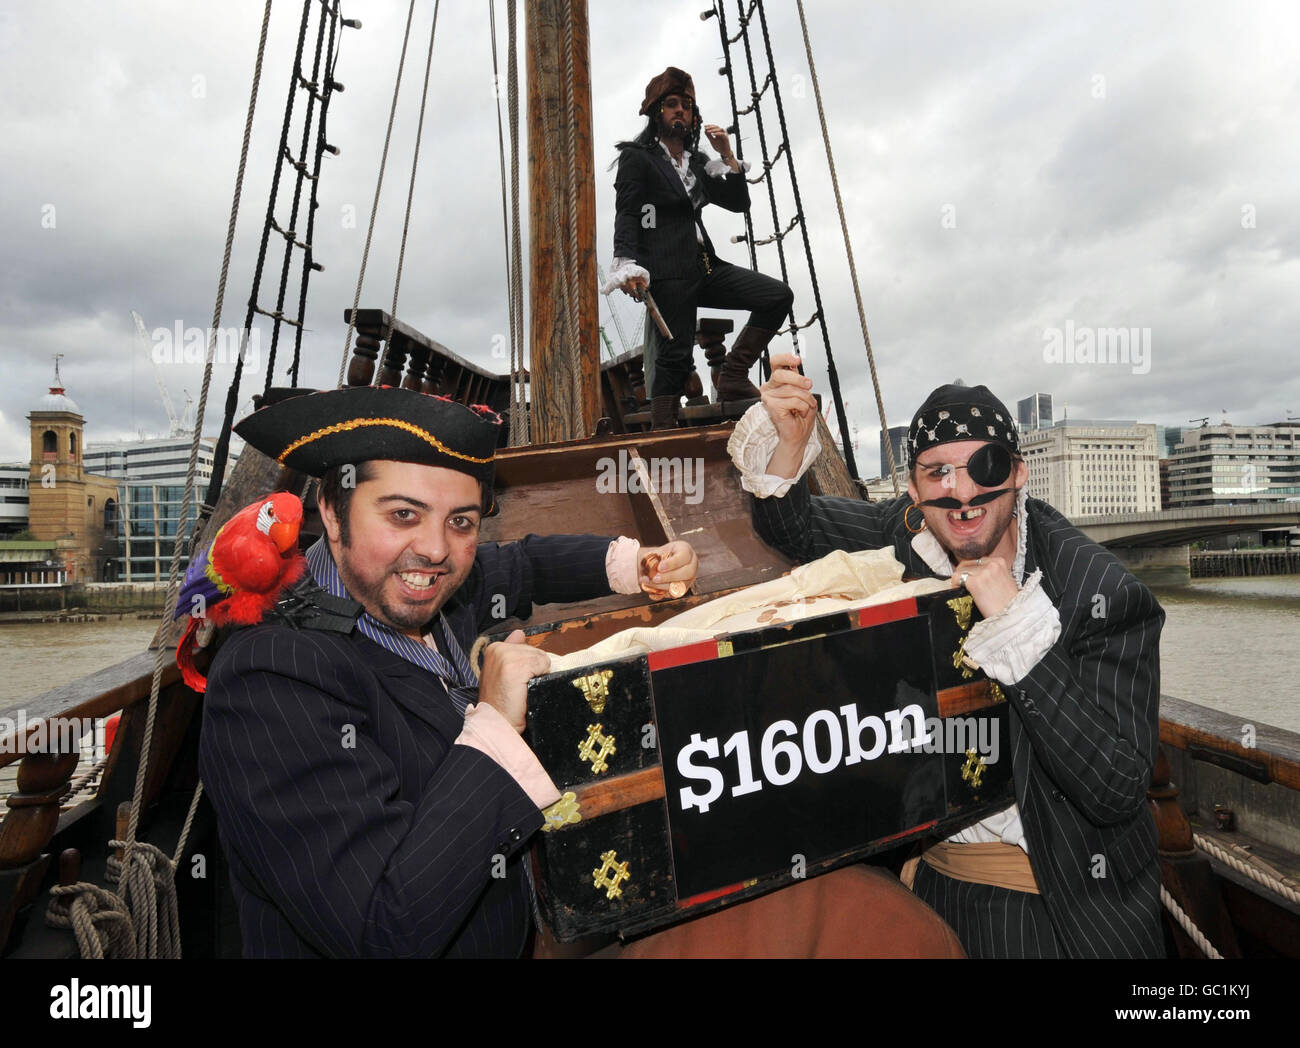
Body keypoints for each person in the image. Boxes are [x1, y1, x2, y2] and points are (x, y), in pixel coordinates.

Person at [197, 386, 698, 958]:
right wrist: (494, 726)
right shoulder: (272, 679)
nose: (435, 550)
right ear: (333, 514)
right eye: (404, 514)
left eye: (460, 521)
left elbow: (521, 565)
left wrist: (635, 565)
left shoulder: (426, 591)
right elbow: (382, 932)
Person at [727, 356, 1165, 958]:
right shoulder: (911, 533)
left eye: (983, 466)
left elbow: (1114, 789)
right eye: (937, 473)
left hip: (1053, 900)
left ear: (1019, 472)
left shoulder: (1101, 592)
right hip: (928, 875)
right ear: (913, 488)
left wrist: (1017, 626)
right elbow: (797, 529)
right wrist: (791, 443)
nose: (961, 494)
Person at [605, 66, 793, 430]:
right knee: (674, 354)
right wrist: (627, 262)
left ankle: (734, 376)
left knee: (777, 296)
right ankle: (663, 431)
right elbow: (628, 212)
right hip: (668, 268)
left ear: (694, 115)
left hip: (706, 266)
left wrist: (729, 156)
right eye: (671, 104)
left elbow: (739, 204)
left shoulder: (699, 163)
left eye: (686, 106)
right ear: (657, 112)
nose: (680, 111)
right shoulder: (639, 158)